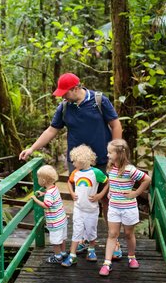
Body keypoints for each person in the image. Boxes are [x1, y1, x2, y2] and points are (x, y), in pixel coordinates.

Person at [19, 72, 123, 254]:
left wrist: (116, 154)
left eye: (65, 92)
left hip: (102, 160)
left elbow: (116, 125)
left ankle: (113, 242)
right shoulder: (65, 107)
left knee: (107, 200)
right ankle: (83, 239)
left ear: (76, 89)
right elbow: (52, 130)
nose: (63, 97)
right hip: (77, 164)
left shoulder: (99, 100)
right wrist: (32, 148)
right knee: (81, 200)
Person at [99, 139, 151, 276]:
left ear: (120, 154)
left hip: (129, 208)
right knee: (112, 234)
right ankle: (106, 263)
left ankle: (131, 257)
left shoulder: (130, 169)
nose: (108, 155)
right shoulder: (110, 167)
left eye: (110, 152)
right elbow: (112, 181)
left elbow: (147, 179)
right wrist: (111, 192)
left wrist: (136, 193)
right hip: (114, 207)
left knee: (129, 234)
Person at [61, 145, 109, 267]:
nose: (73, 163)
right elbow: (69, 182)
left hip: (92, 209)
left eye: (74, 161)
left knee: (91, 230)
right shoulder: (75, 173)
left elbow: (107, 181)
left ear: (81, 160)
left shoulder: (96, 172)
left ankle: (91, 250)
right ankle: (72, 256)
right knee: (77, 231)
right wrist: (72, 193)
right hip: (78, 208)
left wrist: (100, 195)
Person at [31, 165, 68, 263]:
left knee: (56, 242)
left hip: (55, 222)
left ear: (43, 181)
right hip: (62, 220)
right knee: (62, 238)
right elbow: (52, 198)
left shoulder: (49, 194)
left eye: (38, 178)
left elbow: (46, 205)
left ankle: (58, 256)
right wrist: (43, 194)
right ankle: (63, 253)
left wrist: (35, 199)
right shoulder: (54, 188)